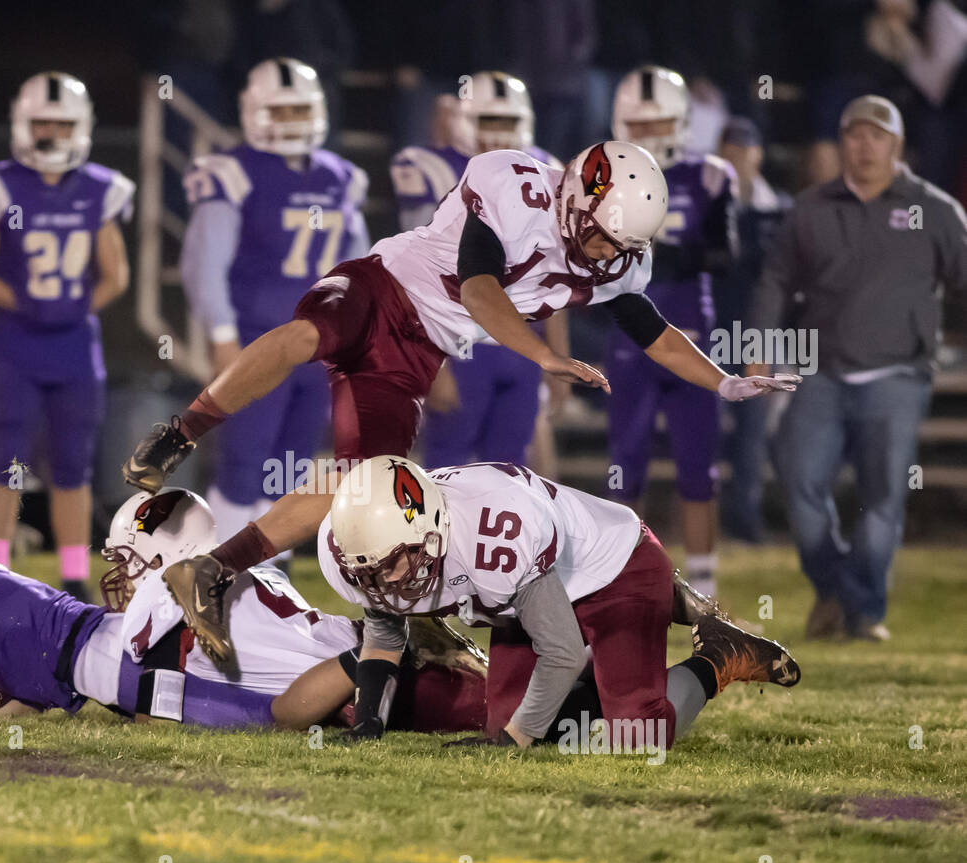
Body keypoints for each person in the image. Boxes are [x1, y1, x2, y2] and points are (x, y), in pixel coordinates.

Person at [124, 139, 800, 665]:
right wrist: (543, 356)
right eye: (598, 234)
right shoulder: (516, 188)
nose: (602, 253)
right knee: (309, 333)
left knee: (365, 491)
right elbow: (479, 288)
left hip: (415, 355)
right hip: (380, 286)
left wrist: (725, 381)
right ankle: (180, 433)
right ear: (574, 195)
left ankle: (212, 570)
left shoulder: (618, 263)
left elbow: (654, 331)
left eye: (617, 244)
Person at [0, 504, 486, 732]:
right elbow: (41, 682)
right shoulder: (221, 581)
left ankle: (386, 637)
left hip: (316, 664)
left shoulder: (169, 592)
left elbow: (81, 664)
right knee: (473, 702)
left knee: (278, 716)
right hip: (311, 644)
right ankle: (395, 640)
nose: (117, 574)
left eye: (128, 558)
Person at [316, 456, 801, 744]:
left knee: (637, 735)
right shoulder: (371, 550)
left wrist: (519, 738)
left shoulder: (492, 536)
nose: (385, 583)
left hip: (615, 570)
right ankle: (614, 672)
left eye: (396, 563)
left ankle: (719, 656)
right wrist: (369, 724)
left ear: (433, 531)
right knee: (507, 723)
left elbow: (562, 650)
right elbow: (383, 634)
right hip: (526, 597)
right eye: (369, 572)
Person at [754, 95, 967, 642]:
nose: (865, 145)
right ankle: (837, 590)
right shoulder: (811, 209)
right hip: (820, 370)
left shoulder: (933, 209)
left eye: (877, 135)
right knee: (799, 483)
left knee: (881, 500)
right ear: (841, 142)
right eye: (855, 134)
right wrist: (759, 344)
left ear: (897, 145)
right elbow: (776, 280)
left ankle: (863, 612)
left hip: (897, 375)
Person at [0, 72, 132, 601]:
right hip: (18, 344)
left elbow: (115, 274)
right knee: (8, 459)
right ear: (22, 124)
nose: (52, 133)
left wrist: (75, 307)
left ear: (80, 127)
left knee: (74, 464)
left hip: (74, 346)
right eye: (43, 123)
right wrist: (29, 303)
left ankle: (74, 572)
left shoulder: (99, 188)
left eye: (62, 123)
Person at [180, 57, 367, 545]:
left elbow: (360, 270)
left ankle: (269, 569)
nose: (291, 122)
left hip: (319, 345)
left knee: (292, 460)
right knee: (245, 456)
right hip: (257, 335)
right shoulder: (232, 173)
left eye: (299, 111)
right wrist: (221, 337)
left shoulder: (340, 177)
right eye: (280, 112)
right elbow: (203, 265)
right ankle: (214, 568)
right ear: (253, 112)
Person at [389, 70, 571, 470]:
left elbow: (552, 272)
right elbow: (414, 271)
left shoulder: (546, 169)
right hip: (460, 343)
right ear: (462, 119)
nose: (498, 131)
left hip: (523, 341)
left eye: (507, 121)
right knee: (444, 470)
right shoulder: (430, 166)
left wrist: (558, 353)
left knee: (512, 473)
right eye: (488, 119)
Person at [608, 66, 739, 597]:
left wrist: (674, 254)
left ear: (683, 122)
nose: (651, 136)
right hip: (629, 340)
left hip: (690, 332)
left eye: (661, 123)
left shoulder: (708, 174)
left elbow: (726, 253)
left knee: (697, 466)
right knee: (626, 462)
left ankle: (704, 590)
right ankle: (616, 581)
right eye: (640, 125)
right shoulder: (602, 174)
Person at [714, 117, 791, 544]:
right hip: (712, 332)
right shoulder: (708, 207)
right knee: (707, 424)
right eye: (730, 151)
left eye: (744, 151)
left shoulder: (781, 209)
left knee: (753, 429)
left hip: (761, 336)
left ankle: (748, 517)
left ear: (758, 154)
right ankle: (711, 514)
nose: (738, 159)